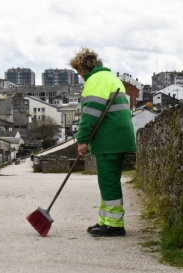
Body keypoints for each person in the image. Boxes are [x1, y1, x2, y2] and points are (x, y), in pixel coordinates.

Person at [69, 47, 136, 237]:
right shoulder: (112, 79)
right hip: (119, 136)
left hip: (109, 138)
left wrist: (81, 140)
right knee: (107, 180)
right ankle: (105, 220)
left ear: (84, 68)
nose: (79, 76)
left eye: (78, 71)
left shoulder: (95, 81)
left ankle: (114, 225)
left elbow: (90, 114)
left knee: (108, 181)